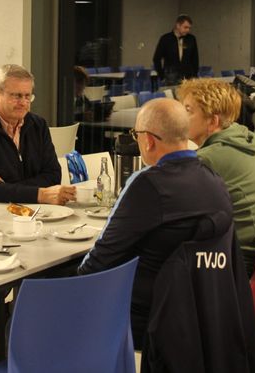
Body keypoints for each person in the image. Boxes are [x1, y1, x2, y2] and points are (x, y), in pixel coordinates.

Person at [77, 98, 234, 345]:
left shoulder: (147, 184)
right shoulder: (213, 178)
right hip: (198, 315)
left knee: (40, 296)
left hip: (145, 319)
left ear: (149, 140)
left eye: (136, 135)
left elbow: (96, 263)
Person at [178, 78, 255, 276]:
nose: (180, 117)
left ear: (213, 121)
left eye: (188, 110)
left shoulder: (209, 157)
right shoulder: (237, 137)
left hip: (244, 251)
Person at [0, 64, 76, 208]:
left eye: (27, 96)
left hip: (28, 209)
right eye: (16, 96)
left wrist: (5, 188)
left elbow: (53, 175)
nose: (23, 103)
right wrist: (40, 194)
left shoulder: (38, 125)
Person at [152, 14, 199, 85]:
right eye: (185, 27)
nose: (188, 30)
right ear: (178, 25)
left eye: (189, 28)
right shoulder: (165, 39)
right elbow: (156, 59)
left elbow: (195, 59)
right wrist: (162, 76)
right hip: (170, 78)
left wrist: (194, 75)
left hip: (188, 78)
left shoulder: (191, 39)